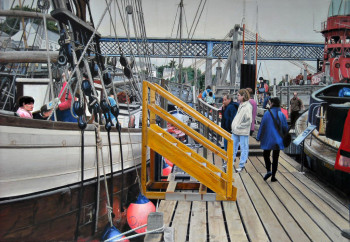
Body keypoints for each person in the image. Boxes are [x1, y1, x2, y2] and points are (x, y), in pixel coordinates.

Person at [256, 97, 288, 182]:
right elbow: (285, 127)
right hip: (278, 140)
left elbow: (262, 126)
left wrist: (258, 136)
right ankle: (273, 176)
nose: (269, 104)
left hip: (268, 139)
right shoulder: (281, 114)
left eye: (270, 102)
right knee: (276, 158)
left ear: (272, 103)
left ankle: (268, 170)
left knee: (266, 155)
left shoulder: (267, 113)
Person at [231, 89, 253, 172]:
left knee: (244, 147)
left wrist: (239, 126)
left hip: (242, 131)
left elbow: (248, 121)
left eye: (239, 95)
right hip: (236, 130)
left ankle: (242, 164)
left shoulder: (247, 106)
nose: (237, 96)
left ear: (243, 96)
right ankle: (231, 161)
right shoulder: (241, 105)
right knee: (233, 146)